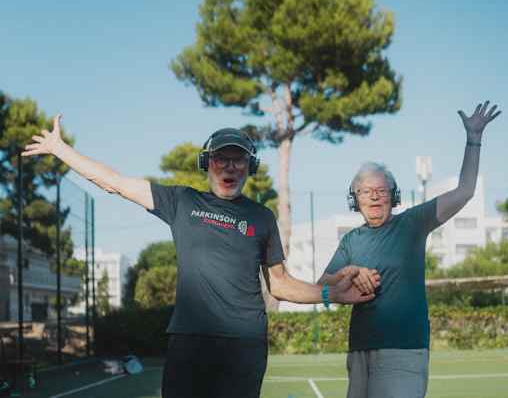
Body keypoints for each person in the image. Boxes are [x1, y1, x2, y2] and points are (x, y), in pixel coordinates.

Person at [23, 121, 379, 398]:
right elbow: (113, 182)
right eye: (221, 158)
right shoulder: (181, 201)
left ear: (249, 166)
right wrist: (60, 149)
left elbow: (281, 284)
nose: (229, 166)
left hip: (244, 344)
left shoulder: (262, 217)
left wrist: (332, 294)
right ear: (207, 164)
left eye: (238, 159)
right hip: (189, 341)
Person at [319, 101, 501, 398]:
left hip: (403, 350)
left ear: (394, 196)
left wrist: (474, 139)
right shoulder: (351, 240)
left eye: (381, 191)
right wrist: (350, 272)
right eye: (365, 191)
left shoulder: (412, 223)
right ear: (355, 199)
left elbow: (465, 191)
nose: (374, 197)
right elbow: (322, 284)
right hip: (360, 349)